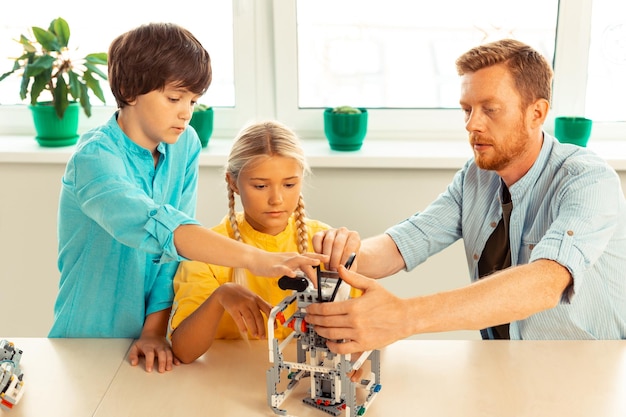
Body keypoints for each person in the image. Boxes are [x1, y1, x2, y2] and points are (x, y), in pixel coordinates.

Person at [305, 38, 626, 354]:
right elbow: (406, 241)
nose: (472, 124)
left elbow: (545, 282)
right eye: (467, 109)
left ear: (536, 113)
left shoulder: (587, 180)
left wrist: (404, 317)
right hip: (505, 363)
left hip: (589, 371)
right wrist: (341, 255)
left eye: (490, 109)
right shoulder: (476, 178)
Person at [48, 24, 325, 373]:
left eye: (193, 100)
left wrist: (153, 332)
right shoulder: (95, 160)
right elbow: (163, 229)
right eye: (174, 98)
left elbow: (173, 254)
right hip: (89, 337)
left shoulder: (185, 145)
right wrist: (257, 259)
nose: (186, 112)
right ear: (130, 91)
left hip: (151, 344)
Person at [168, 121, 355, 364]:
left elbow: (364, 324)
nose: (276, 199)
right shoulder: (206, 249)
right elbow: (183, 351)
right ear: (233, 182)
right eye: (260, 186)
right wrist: (220, 296)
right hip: (225, 381)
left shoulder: (324, 242)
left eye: (289, 185)